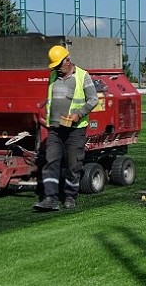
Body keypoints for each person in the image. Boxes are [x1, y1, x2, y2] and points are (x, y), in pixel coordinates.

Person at [33, 45, 98, 211]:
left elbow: (93, 100)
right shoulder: (53, 76)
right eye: (54, 67)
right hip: (55, 129)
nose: (56, 69)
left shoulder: (83, 76)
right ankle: (50, 198)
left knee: (73, 165)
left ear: (67, 61)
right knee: (51, 162)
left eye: (58, 65)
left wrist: (78, 114)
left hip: (75, 130)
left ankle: (70, 196)